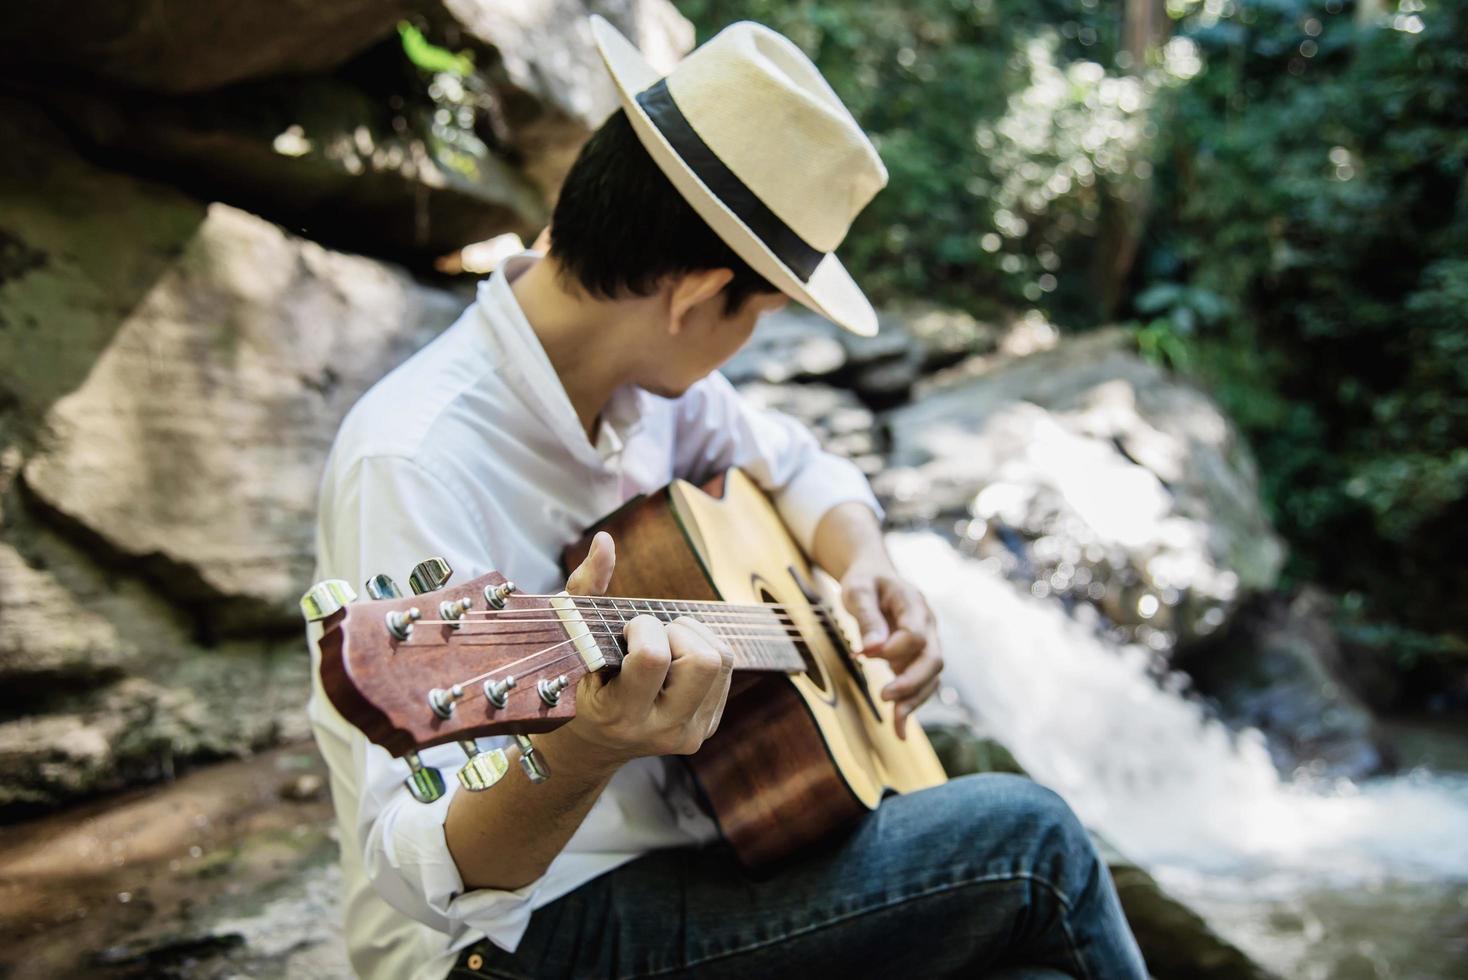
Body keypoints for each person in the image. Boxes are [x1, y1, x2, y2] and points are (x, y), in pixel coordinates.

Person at [307, 16, 1146, 980]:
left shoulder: (656, 384)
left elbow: (800, 464)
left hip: (714, 849)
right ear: (697, 295)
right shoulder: (414, 458)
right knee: (1032, 846)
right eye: (761, 314)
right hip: (520, 936)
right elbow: (424, 871)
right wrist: (583, 747)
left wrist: (865, 563)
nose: (742, 348)